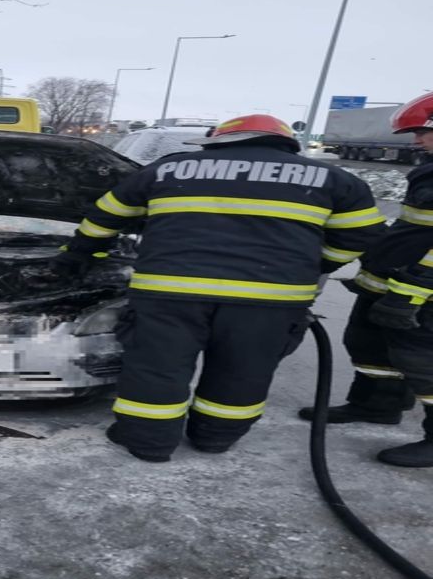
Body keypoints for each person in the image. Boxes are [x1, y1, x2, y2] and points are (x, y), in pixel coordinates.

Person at [54, 114, 385, 462]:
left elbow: (104, 216)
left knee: (158, 367)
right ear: (287, 143)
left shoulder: (169, 169)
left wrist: (77, 254)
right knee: (243, 370)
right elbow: (363, 236)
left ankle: (148, 442)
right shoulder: (334, 180)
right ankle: (215, 438)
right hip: (270, 299)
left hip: (171, 292)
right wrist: (318, 264)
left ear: (217, 140)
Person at [298, 92, 433, 467]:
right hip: (392, 282)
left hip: (420, 291)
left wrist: (412, 292)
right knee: (366, 343)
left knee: (422, 361)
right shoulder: (429, 169)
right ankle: (376, 404)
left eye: (422, 132)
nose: (416, 140)